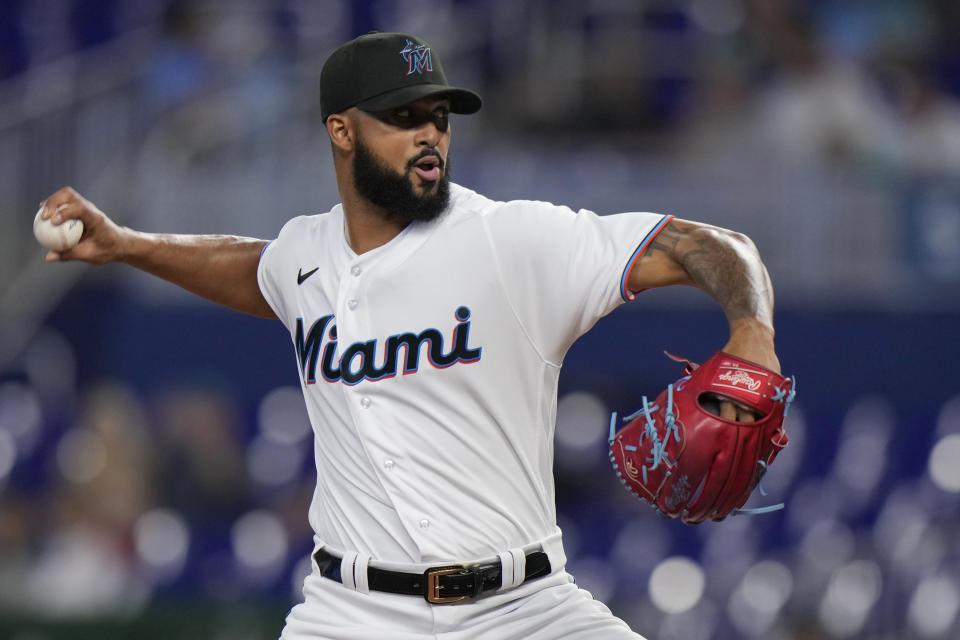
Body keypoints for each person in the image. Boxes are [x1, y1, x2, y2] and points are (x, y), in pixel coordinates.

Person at [38, 32, 780, 640]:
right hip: (350, 614)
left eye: (439, 115)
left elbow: (703, 243)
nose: (428, 133)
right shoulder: (305, 256)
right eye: (402, 116)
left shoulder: (513, 240)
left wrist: (751, 329)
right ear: (341, 130)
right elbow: (254, 269)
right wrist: (129, 244)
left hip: (524, 611)